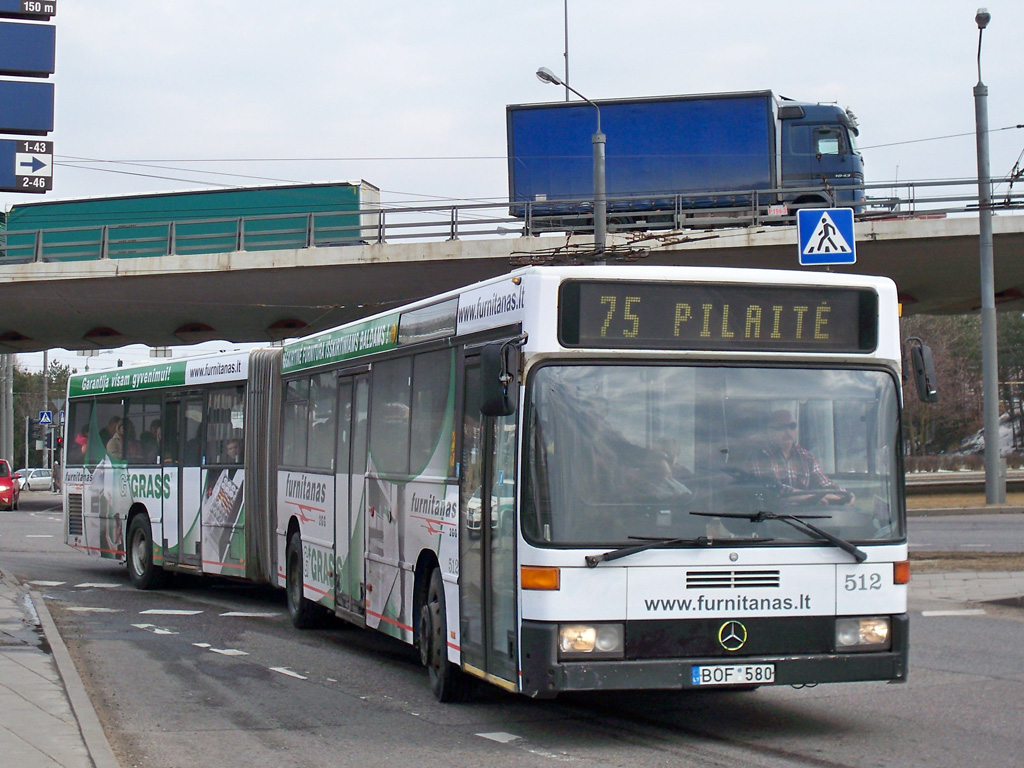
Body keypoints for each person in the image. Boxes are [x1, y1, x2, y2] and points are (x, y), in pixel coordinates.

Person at [752, 410, 853, 505]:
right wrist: (812, 497)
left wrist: (845, 494)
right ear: (768, 431)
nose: (787, 431)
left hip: (807, 519)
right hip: (774, 518)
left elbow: (825, 484)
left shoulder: (806, 456)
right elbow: (773, 490)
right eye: (780, 427)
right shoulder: (760, 455)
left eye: (792, 426)